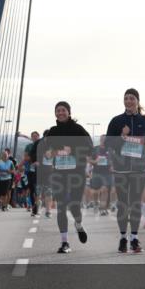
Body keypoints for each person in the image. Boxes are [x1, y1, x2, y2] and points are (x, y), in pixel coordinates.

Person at [105, 88, 145, 253]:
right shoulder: (116, 121)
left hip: (139, 169)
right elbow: (108, 144)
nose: (129, 101)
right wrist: (121, 136)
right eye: (126, 98)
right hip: (121, 169)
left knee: (135, 204)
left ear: (137, 101)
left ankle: (134, 238)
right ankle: (122, 238)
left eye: (132, 98)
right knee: (123, 205)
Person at [42, 102, 93, 253]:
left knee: (74, 206)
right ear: (55, 114)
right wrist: (51, 153)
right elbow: (46, 152)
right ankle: (64, 242)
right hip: (59, 174)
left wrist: (74, 150)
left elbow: (90, 148)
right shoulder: (52, 131)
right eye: (58, 110)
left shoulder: (78, 130)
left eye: (63, 110)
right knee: (61, 207)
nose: (61, 113)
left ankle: (78, 224)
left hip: (76, 174)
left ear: (69, 112)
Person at [88, 136, 112, 216]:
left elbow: (115, 159)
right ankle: (95, 203)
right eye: (102, 139)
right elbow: (88, 159)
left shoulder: (110, 149)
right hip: (96, 172)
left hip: (107, 173)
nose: (103, 141)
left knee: (105, 190)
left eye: (105, 139)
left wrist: (113, 165)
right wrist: (94, 161)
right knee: (96, 191)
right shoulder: (95, 149)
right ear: (100, 140)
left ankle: (103, 209)